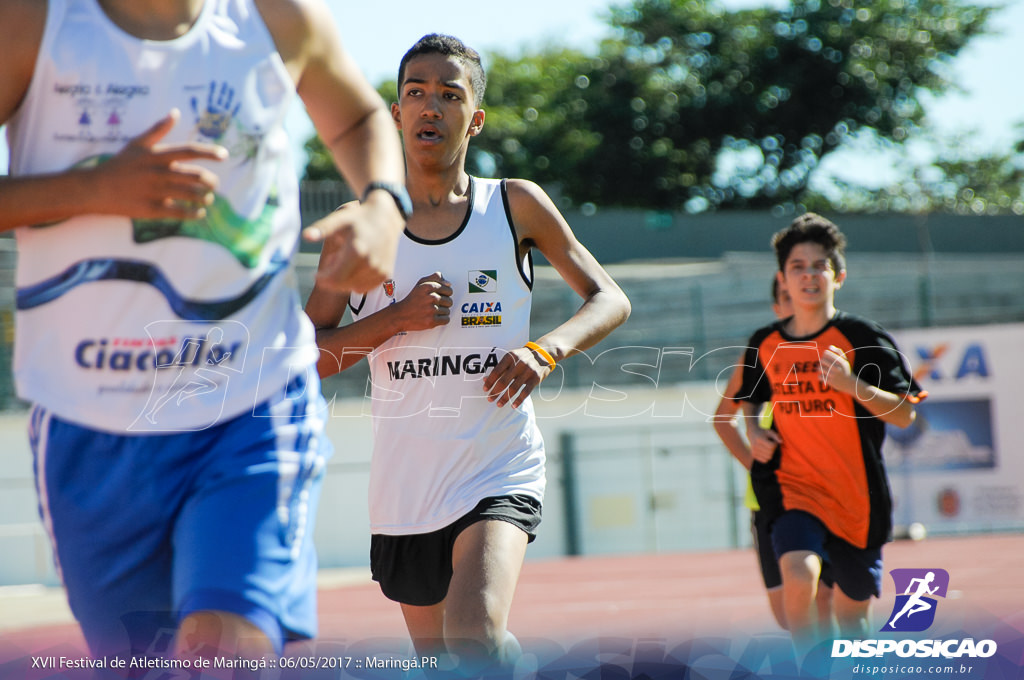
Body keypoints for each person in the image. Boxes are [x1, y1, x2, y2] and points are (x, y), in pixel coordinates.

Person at [0, 0, 407, 669]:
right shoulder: (32, 21)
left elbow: (360, 116)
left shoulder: (280, 17)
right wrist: (92, 189)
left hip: (250, 399)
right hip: (88, 417)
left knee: (224, 652)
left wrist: (384, 206)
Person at [305, 34, 631, 675]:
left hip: (497, 467)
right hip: (406, 487)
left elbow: (608, 298)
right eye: (416, 93)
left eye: (450, 95)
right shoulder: (359, 226)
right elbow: (305, 358)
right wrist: (394, 321)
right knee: (444, 663)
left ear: (474, 119)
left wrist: (546, 350)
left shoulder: (514, 205)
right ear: (395, 113)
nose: (432, 106)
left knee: (473, 636)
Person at [732, 214, 924, 657]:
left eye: (819, 265)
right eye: (798, 266)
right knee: (799, 575)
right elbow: (750, 398)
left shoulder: (862, 337)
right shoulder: (765, 342)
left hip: (857, 498)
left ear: (837, 275)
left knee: (853, 616)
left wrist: (851, 384)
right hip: (794, 489)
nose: (808, 275)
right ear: (783, 277)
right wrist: (753, 431)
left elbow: (905, 416)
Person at [713, 278, 836, 634]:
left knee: (830, 601)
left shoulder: (833, 352)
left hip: (826, 493)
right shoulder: (758, 356)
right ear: (777, 307)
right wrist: (757, 465)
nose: (795, 302)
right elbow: (723, 420)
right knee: (788, 616)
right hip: (770, 501)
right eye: (786, 297)